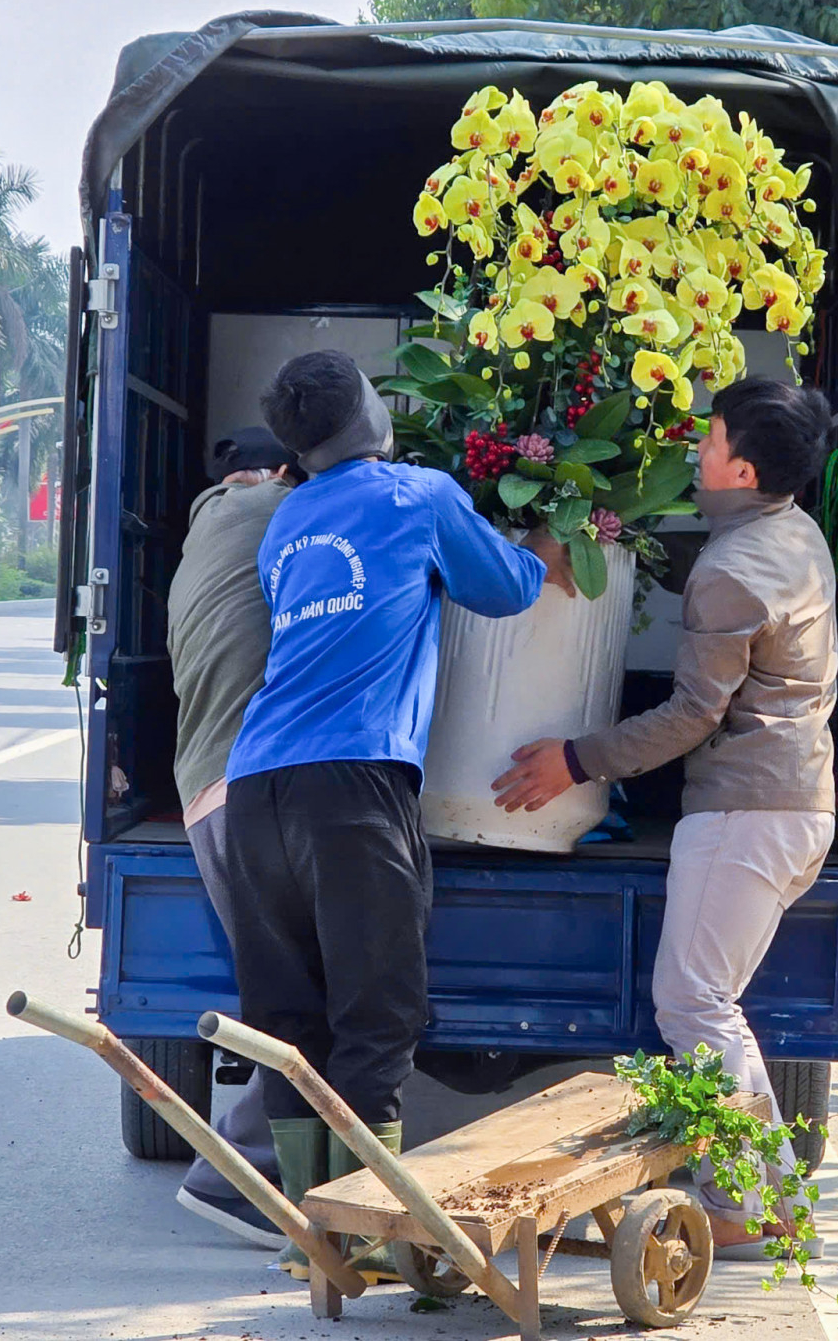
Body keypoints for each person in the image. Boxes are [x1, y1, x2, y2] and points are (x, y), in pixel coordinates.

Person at [216, 349, 573, 1280]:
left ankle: (317, 1235)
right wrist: (544, 552)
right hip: (354, 783)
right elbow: (503, 589)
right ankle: (368, 1234)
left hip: (256, 786)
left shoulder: (287, 520)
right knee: (378, 1012)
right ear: (370, 417)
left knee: (292, 1023)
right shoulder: (418, 494)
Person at [490, 377, 837, 1254]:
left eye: (710, 439)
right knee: (710, 1003)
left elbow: (693, 714)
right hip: (794, 805)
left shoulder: (731, 569)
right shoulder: (792, 532)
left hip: (747, 813)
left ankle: (744, 1201)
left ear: (742, 466)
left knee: (693, 1003)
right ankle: (767, 1196)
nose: (697, 450)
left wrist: (574, 759)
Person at [164, 424, 296, 1247]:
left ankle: (261, 1169)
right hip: (241, 786)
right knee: (297, 1003)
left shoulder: (208, 524)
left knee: (292, 994)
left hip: (206, 786)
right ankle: (230, 1178)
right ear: (280, 471)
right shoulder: (279, 509)